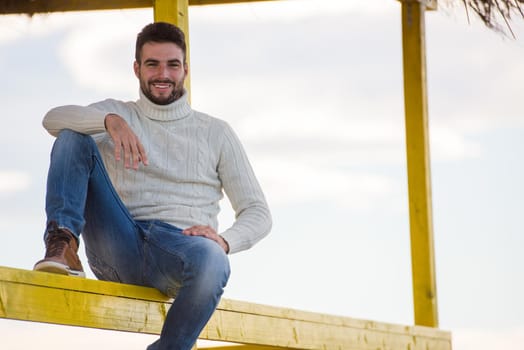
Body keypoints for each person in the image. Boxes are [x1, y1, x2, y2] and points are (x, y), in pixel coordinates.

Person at [33, 21, 272, 350]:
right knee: (72, 136)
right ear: (137, 69)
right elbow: (52, 118)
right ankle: (62, 244)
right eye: (152, 64)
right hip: (118, 243)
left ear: (185, 69)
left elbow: (258, 212)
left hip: (178, 251)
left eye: (172, 64)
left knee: (214, 258)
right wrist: (108, 122)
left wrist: (225, 241)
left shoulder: (216, 133)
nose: (163, 73)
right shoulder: (116, 114)